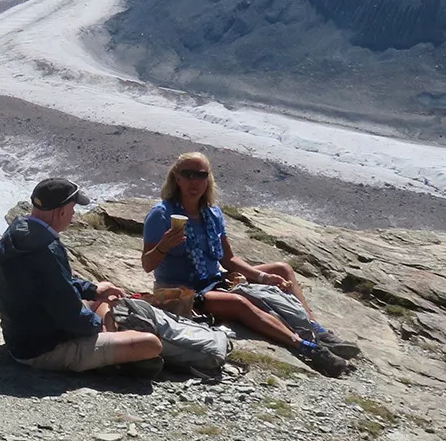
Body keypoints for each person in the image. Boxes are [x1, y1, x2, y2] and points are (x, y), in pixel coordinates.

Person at [141, 153, 358, 376]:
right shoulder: (162, 214)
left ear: (208, 179)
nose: (194, 181)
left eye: (201, 175)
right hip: (184, 292)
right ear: (177, 179)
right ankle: (305, 347)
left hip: (214, 281)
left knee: (282, 269)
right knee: (239, 302)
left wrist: (263, 277)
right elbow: (147, 264)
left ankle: (316, 329)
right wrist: (164, 246)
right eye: (188, 175)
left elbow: (228, 259)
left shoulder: (212, 214)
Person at [0, 178, 164, 374]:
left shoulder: (20, 232)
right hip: (45, 349)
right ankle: (116, 355)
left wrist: (94, 290)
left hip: (25, 336)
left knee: (106, 298)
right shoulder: (46, 249)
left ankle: (114, 348)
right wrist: (99, 328)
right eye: (72, 208)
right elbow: (68, 314)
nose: (73, 214)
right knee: (150, 344)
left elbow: (55, 286)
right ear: (61, 211)